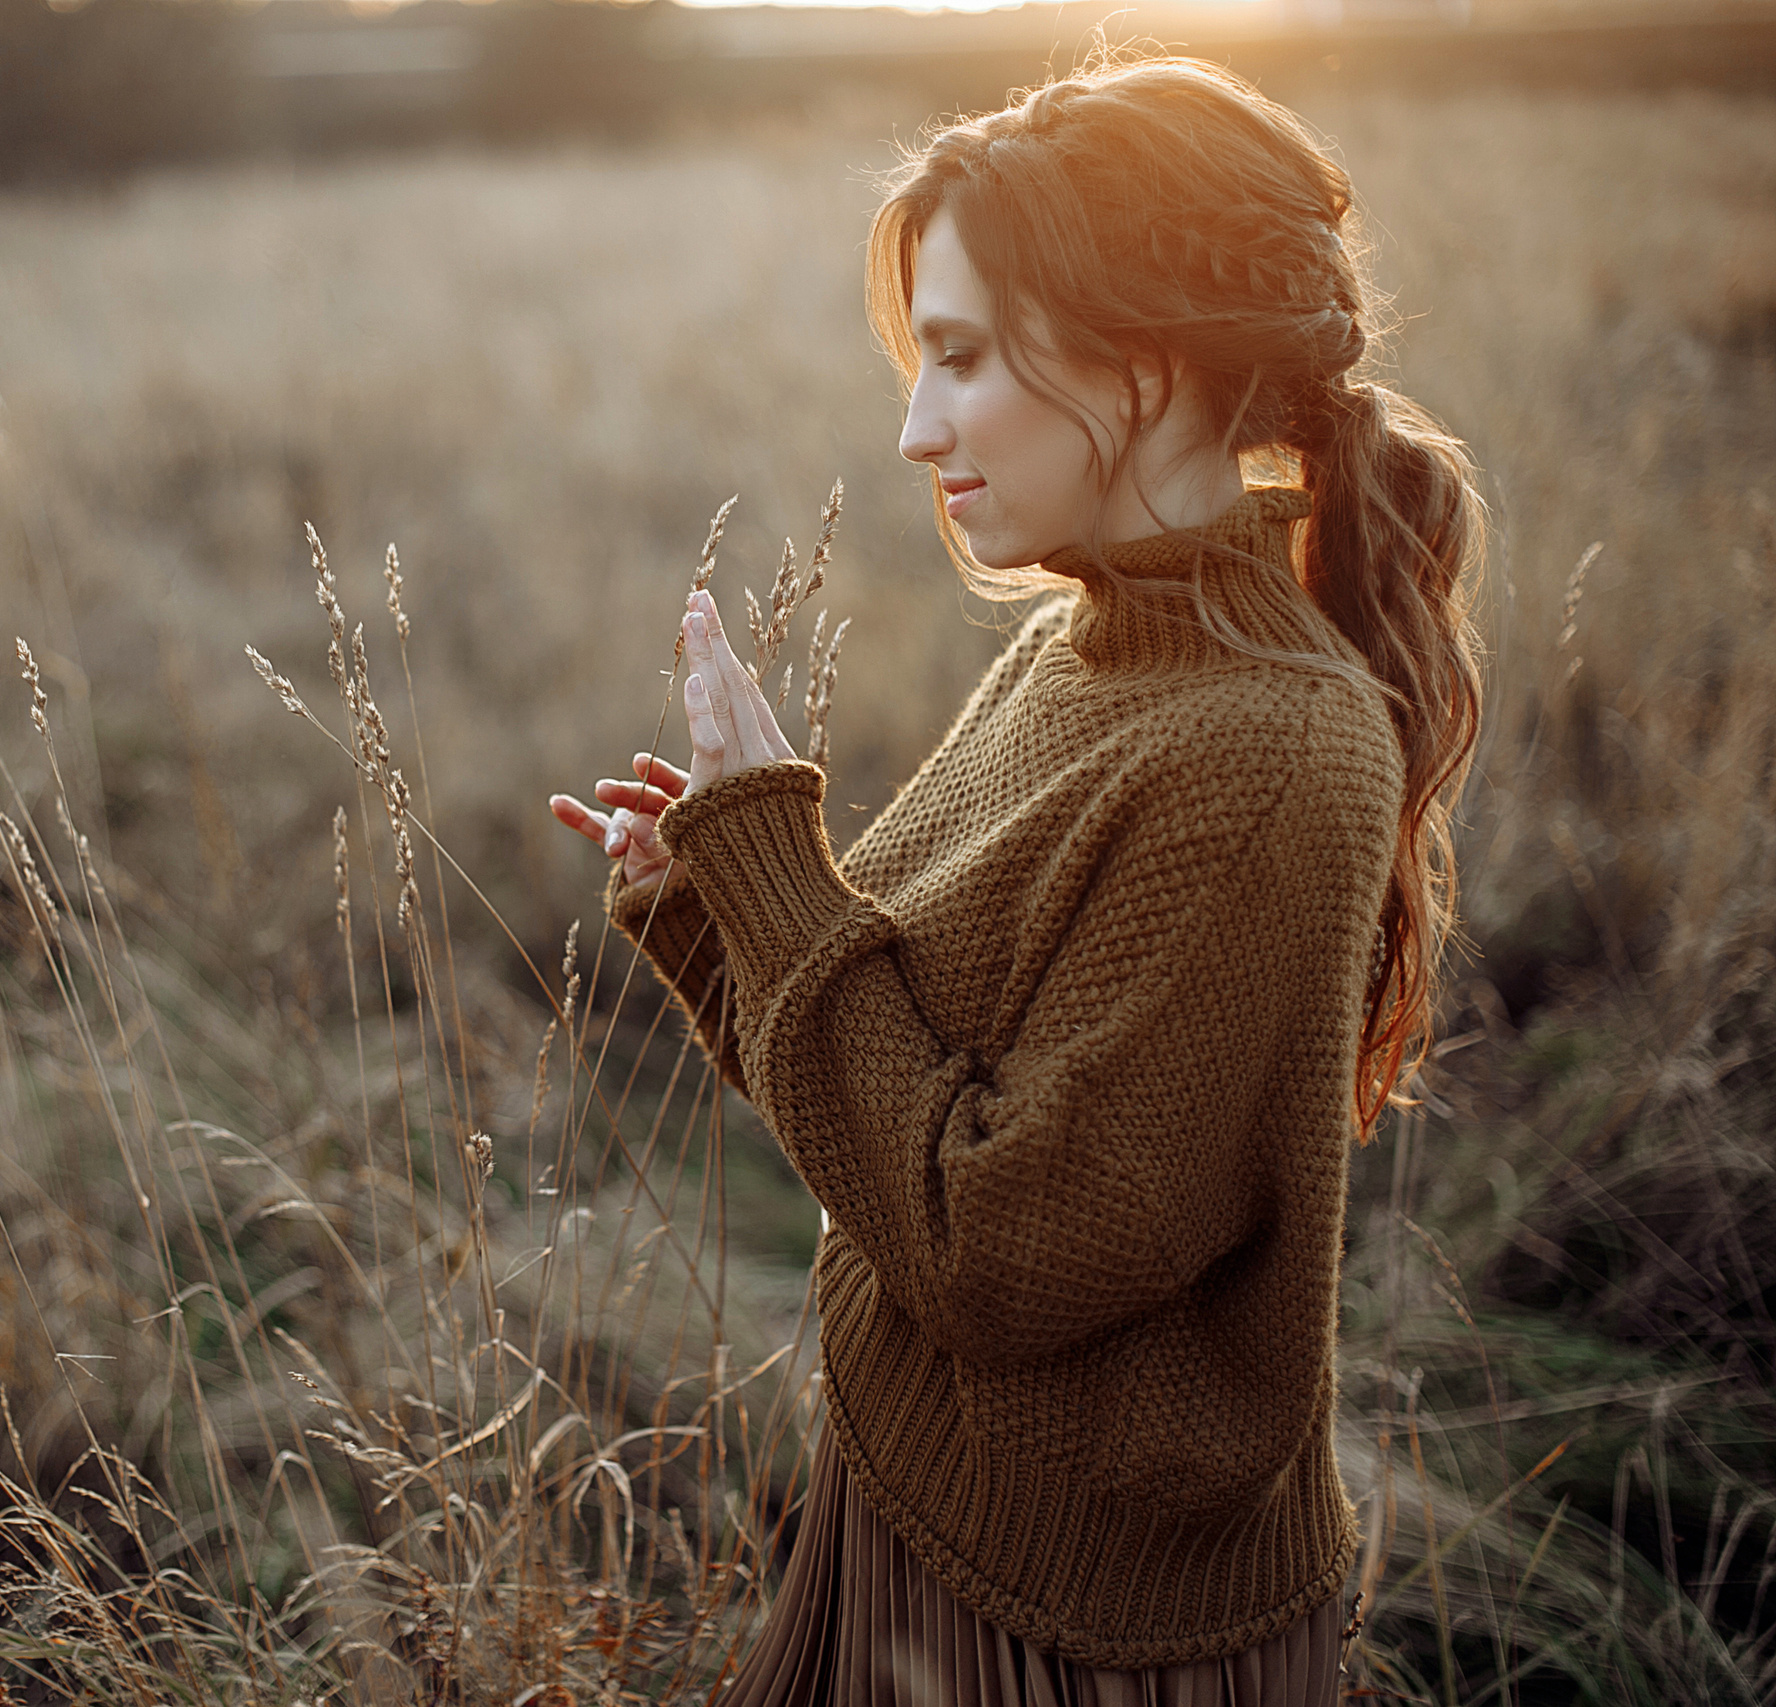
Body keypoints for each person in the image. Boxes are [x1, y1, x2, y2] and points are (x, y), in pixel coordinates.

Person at [547, 54, 1483, 1707]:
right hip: (925, 1514)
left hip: (1080, 1620)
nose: (916, 428)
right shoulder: (1081, 650)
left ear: (1143, 360)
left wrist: (780, 872)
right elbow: (903, 1121)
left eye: (964, 360)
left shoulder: (1272, 754)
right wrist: (715, 907)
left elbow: (1000, 1247)